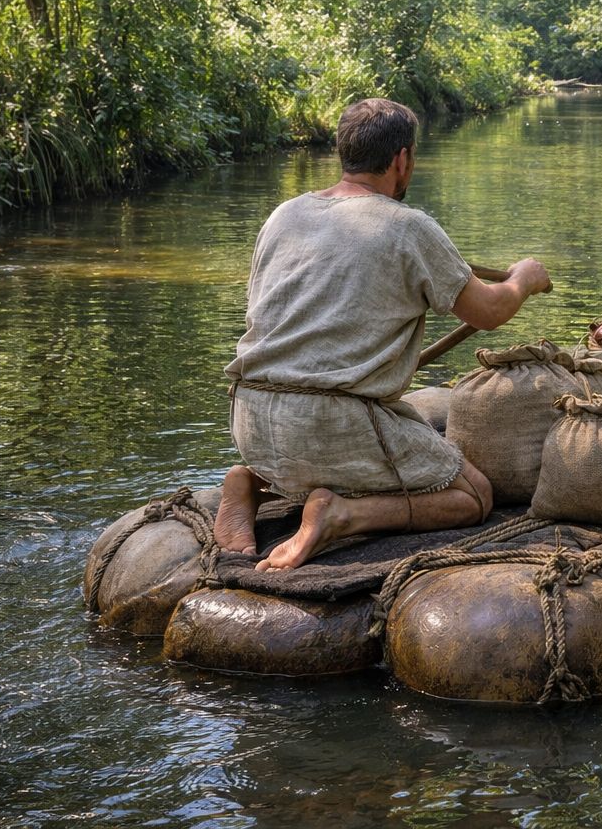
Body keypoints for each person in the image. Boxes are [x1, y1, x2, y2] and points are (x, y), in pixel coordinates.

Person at [213, 97, 551, 571]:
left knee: (337, 449)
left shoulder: (283, 215)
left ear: (343, 152)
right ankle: (343, 514)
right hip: (328, 424)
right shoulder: (407, 227)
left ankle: (250, 480)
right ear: (402, 159)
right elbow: (490, 311)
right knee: (472, 496)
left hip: (249, 415)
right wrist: (523, 279)